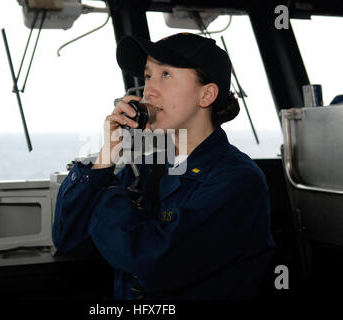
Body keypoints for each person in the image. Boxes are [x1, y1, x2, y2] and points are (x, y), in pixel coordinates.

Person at [52, 32, 276, 300]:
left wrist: (106, 193)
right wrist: (105, 159)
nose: (149, 90)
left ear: (206, 95)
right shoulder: (151, 166)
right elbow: (69, 239)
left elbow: (154, 264)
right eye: (148, 76)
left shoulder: (237, 181)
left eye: (166, 75)